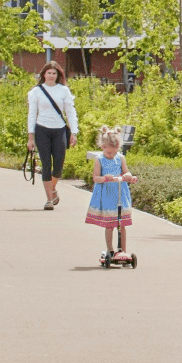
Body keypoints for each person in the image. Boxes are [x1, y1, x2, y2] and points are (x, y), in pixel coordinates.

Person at [26, 60, 78, 210]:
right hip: (42, 129)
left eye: (54, 73)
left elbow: (70, 112)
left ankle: (53, 188)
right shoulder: (36, 91)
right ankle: (49, 199)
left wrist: (74, 132)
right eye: (49, 73)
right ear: (44, 74)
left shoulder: (63, 90)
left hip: (59, 130)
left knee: (58, 164)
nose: (51, 76)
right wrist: (31, 137)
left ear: (58, 75)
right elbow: (32, 114)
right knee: (46, 164)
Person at [85, 127, 136, 259]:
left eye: (114, 152)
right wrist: (104, 178)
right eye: (109, 152)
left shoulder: (120, 158)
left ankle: (123, 251)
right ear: (103, 147)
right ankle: (110, 250)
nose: (111, 155)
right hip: (108, 194)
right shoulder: (100, 159)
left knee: (122, 224)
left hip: (120, 192)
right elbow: (95, 178)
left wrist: (129, 176)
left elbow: (126, 171)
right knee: (110, 224)